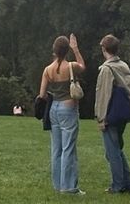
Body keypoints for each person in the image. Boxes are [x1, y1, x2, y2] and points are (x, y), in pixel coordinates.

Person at [38, 33, 86, 195]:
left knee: (56, 149)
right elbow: (83, 66)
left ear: (54, 50)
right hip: (68, 108)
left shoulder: (47, 70)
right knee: (68, 148)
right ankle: (69, 187)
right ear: (66, 51)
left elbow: (42, 94)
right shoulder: (71, 66)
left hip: (53, 110)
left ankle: (58, 185)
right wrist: (76, 49)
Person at [95, 34, 130, 195]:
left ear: (104, 49)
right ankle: (128, 183)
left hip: (110, 114)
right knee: (116, 149)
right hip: (123, 113)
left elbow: (104, 95)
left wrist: (101, 117)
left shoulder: (107, 69)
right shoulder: (124, 66)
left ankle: (118, 185)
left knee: (112, 151)